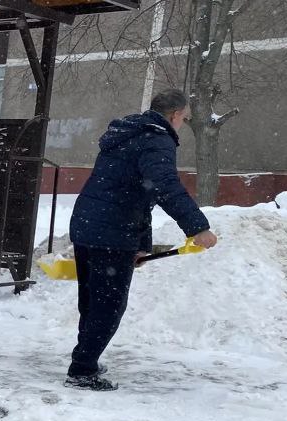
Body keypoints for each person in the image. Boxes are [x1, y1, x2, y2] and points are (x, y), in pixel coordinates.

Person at [65, 89, 218, 391]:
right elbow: (163, 186)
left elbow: (137, 192)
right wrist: (198, 227)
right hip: (111, 230)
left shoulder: (128, 133)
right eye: (185, 118)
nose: (183, 124)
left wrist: (140, 246)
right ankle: (82, 370)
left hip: (88, 223)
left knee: (93, 301)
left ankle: (86, 358)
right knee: (109, 306)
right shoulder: (156, 139)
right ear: (175, 115)